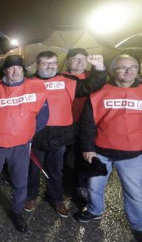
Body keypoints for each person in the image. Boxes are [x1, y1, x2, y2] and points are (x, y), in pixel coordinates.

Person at [25, 51, 106, 218]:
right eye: (45, 63)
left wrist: (98, 67)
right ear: (37, 65)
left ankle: (55, 197)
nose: (50, 66)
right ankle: (29, 195)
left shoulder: (68, 81)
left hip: (60, 135)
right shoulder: (28, 82)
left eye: (53, 63)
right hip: (35, 135)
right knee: (32, 169)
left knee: (56, 169)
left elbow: (91, 85)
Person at [74, 54, 142, 242]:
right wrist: (87, 148)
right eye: (123, 68)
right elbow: (88, 123)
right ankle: (95, 211)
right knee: (94, 187)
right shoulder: (99, 92)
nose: (129, 71)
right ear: (112, 71)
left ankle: (138, 225)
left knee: (135, 194)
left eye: (133, 67)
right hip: (101, 152)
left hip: (133, 155)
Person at [0, 55, 49, 233]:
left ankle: (17, 210)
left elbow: (42, 116)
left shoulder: (35, 88)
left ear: (23, 70)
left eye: (18, 68)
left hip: (21, 144)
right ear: (5, 71)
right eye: (11, 68)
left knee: (20, 180)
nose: (15, 71)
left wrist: (28, 133)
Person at [64, 48, 91, 206]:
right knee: (62, 157)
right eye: (75, 58)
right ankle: (61, 185)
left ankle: (80, 189)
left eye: (83, 58)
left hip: (86, 124)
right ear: (67, 61)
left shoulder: (93, 77)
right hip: (65, 124)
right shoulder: (61, 77)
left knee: (83, 157)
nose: (80, 61)